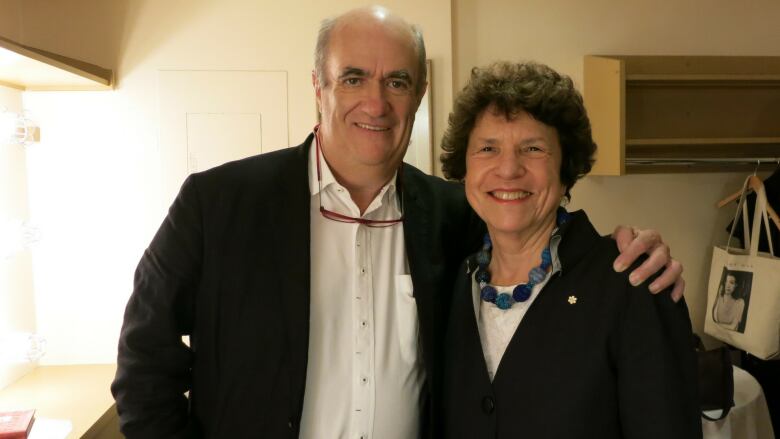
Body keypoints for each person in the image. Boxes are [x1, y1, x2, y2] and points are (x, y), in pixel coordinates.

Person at [111, 7, 685, 439]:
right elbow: (144, 364)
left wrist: (636, 247)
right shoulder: (218, 204)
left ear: (419, 94)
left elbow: (534, 231)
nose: (376, 102)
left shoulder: (453, 216)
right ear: (319, 86)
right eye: (353, 78)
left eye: (398, 81)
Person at [440, 61, 700, 438]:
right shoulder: (450, 283)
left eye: (532, 148)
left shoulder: (633, 286)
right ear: (464, 169)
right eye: (487, 148)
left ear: (566, 171)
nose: (508, 169)